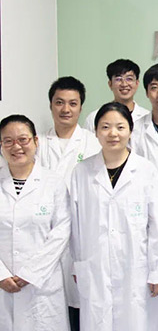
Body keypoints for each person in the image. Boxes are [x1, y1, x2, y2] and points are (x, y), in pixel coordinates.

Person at [70, 102, 158, 331]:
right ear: (95, 132)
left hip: (136, 267)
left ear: (130, 131)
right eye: (105, 127)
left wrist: (157, 270)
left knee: (135, 322)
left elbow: (157, 225)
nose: (113, 133)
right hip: (94, 266)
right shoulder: (81, 172)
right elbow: (75, 226)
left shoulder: (146, 171)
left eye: (120, 127)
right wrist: (77, 265)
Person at [37, 76, 100, 330]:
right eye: (59, 102)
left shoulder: (94, 142)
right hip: (46, 233)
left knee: (81, 306)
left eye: (72, 103)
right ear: (50, 105)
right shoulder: (38, 143)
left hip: (81, 233)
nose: (66, 109)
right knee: (50, 307)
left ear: (81, 107)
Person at [0, 115, 71, 330]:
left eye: (23, 139)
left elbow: (61, 233)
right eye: (8, 141)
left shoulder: (53, 183)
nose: (16, 147)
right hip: (3, 286)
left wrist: (30, 273)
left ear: (36, 141)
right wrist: (1, 275)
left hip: (42, 285)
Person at [84, 59, 149, 132]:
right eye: (118, 79)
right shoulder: (93, 118)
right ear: (110, 84)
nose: (124, 84)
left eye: (129, 79)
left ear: (137, 83)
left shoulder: (147, 118)